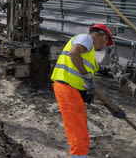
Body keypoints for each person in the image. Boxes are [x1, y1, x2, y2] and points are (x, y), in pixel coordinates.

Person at [51, 24, 126, 158]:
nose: (103, 48)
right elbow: (73, 53)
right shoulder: (85, 39)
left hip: (71, 91)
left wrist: (110, 105)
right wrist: (86, 76)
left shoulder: (89, 55)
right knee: (80, 137)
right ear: (104, 37)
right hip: (68, 89)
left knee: (79, 133)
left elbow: (92, 86)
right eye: (105, 44)